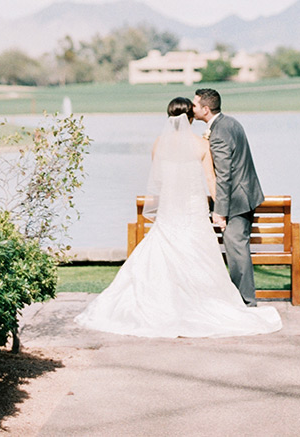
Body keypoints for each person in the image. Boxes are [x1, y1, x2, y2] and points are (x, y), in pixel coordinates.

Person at [74, 96, 281, 338]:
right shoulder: (201, 145)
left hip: (169, 210)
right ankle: (200, 303)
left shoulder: (158, 144)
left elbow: (158, 179)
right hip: (193, 210)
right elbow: (211, 180)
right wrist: (219, 211)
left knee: (161, 253)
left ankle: (163, 302)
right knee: (199, 256)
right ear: (191, 119)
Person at [192, 87, 263, 306]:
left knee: (237, 251)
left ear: (205, 109)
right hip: (246, 194)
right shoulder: (230, 123)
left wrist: (219, 211)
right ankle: (241, 299)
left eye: (194, 104)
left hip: (237, 201)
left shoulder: (220, 133)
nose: (191, 108)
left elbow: (224, 175)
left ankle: (246, 302)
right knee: (237, 250)